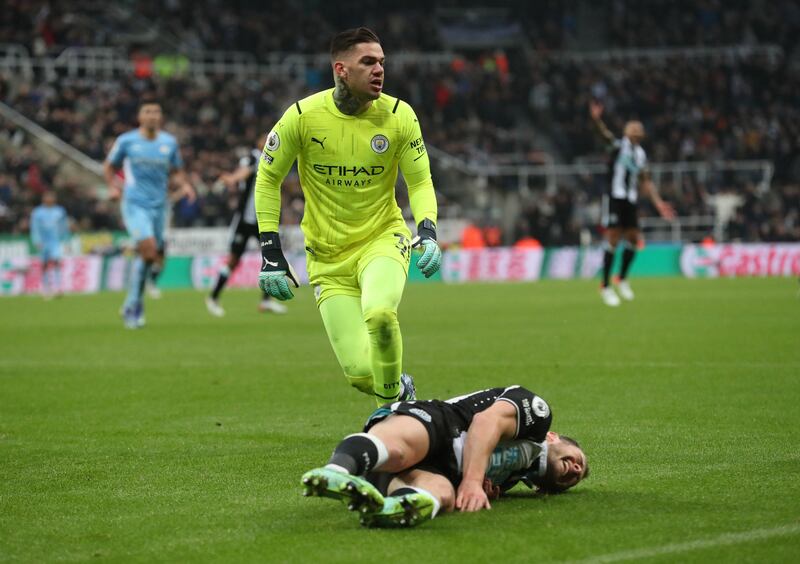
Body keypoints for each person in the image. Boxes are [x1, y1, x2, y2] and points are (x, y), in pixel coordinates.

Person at [254, 27, 442, 404]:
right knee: (360, 373)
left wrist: (428, 229)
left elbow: (420, 182)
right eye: (368, 62)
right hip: (327, 258)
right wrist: (270, 252)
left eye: (382, 62)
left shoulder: (399, 115)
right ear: (341, 69)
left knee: (380, 315)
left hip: (382, 240)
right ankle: (400, 390)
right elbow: (267, 180)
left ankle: (390, 420)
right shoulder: (303, 117)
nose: (379, 70)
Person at [301, 385, 588, 528]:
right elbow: (487, 423)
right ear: (554, 437)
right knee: (399, 453)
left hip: (442, 470)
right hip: (443, 423)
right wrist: (473, 481)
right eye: (578, 459)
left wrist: (479, 482)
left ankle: (385, 508)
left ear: (541, 489)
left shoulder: (513, 477)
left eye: (573, 478)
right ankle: (337, 470)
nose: (575, 469)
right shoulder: (538, 415)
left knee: (440, 496)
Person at [104, 98, 195, 328]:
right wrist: (113, 187)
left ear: (161, 116)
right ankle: (134, 306)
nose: (152, 115)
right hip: (135, 204)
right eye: (148, 111)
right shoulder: (126, 141)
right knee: (148, 249)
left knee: (151, 256)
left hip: (159, 206)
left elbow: (176, 170)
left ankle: (131, 302)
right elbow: (109, 165)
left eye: (156, 111)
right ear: (140, 116)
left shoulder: (169, 143)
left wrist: (184, 185)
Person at [590, 100, 675, 307]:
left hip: (630, 199)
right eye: (632, 127)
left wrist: (659, 203)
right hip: (614, 197)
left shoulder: (640, 154)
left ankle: (622, 279)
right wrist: (596, 120)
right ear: (626, 131)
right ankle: (606, 286)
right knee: (613, 237)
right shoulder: (618, 147)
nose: (636, 129)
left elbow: (645, 181)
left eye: (639, 127)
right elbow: (603, 135)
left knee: (634, 239)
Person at [205, 137, 289, 317]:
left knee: (271, 259)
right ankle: (213, 298)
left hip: (264, 220)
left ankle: (266, 302)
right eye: (265, 138)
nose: (268, 141)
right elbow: (243, 172)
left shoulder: (277, 157)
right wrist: (233, 178)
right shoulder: (254, 156)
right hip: (245, 220)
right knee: (233, 260)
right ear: (259, 142)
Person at [30, 191, 70, 298]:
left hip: (55, 241)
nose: (50, 199)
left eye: (52, 196)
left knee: (56, 261)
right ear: (43, 198)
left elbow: (64, 227)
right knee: (44, 264)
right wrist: (36, 240)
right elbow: (35, 228)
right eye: (47, 196)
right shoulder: (38, 212)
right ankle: (45, 287)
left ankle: (58, 287)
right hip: (43, 242)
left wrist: (66, 241)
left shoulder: (60, 211)